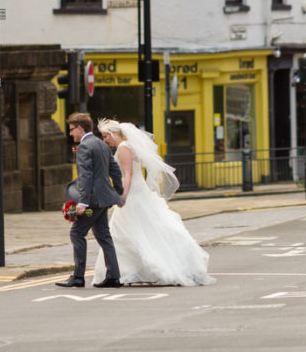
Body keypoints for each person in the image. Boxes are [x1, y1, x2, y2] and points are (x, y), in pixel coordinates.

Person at [95, 119, 213, 286]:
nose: (105, 140)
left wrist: (123, 196)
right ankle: (130, 271)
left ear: (115, 134)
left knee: (127, 231)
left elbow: (127, 174)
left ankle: (128, 271)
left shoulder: (123, 148)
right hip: (139, 190)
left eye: (106, 136)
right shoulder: (130, 145)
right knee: (142, 229)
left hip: (133, 193)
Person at [57, 112, 125, 288]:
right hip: (103, 201)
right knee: (103, 236)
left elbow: (85, 176)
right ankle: (113, 276)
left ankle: (78, 277)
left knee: (77, 233)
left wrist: (82, 203)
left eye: (72, 129)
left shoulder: (85, 147)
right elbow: (115, 169)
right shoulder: (101, 145)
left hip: (92, 202)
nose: (71, 133)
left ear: (80, 128)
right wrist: (118, 192)